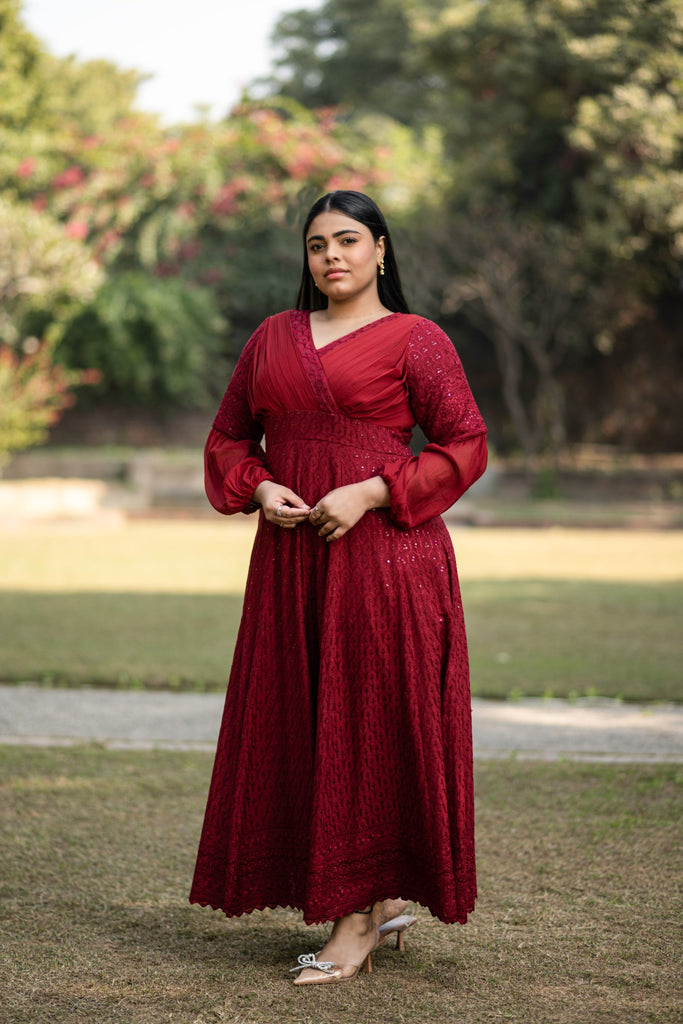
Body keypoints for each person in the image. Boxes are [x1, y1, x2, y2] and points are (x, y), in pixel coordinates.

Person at [189, 190, 488, 985]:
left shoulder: (415, 340)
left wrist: (371, 492)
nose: (332, 257)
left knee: (371, 724)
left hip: (388, 561)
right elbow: (227, 436)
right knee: (302, 719)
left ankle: (357, 917)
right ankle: (361, 900)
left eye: (349, 240)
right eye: (317, 244)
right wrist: (257, 487)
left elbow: (464, 442)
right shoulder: (271, 339)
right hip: (291, 562)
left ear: (381, 249)